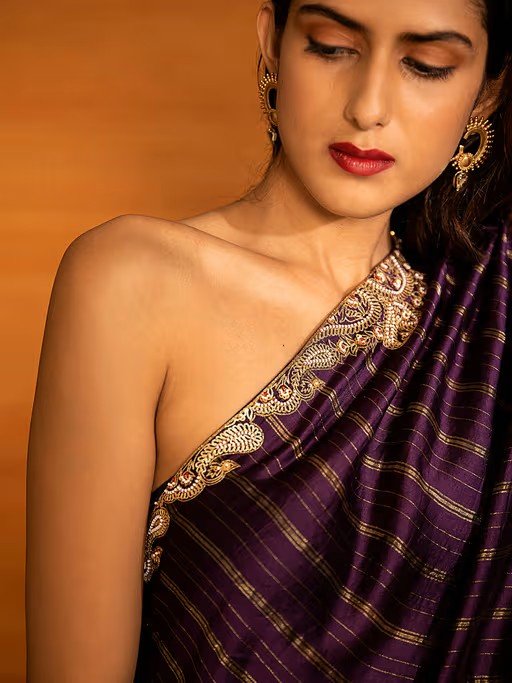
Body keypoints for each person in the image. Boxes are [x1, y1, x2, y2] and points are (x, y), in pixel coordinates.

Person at [25, 0, 512, 680]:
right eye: (332, 46)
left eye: (425, 65)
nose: (368, 107)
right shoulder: (134, 283)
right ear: (272, 41)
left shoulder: (483, 316)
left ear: (486, 91)